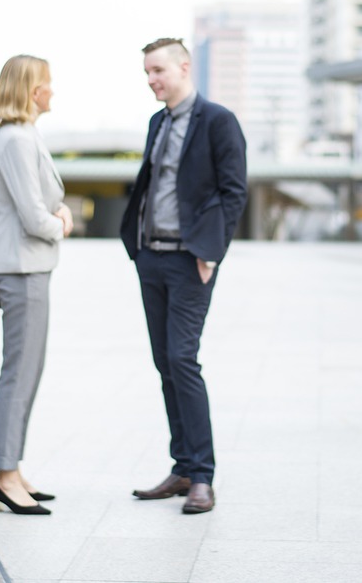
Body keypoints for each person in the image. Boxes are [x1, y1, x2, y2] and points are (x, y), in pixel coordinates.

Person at [120, 38, 247, 515]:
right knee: (164, 362)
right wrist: (135, 245)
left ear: (183, 67)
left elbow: (234, 192)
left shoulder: (218, 120)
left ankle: (203, 477)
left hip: (190, 259)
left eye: (158, 70)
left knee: (182, 358)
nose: (152, 79)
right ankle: (182, 466)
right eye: (147, 72)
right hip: (150, 257)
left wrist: (211, 251)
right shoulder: (158, 121)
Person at [0, 55, 73, 516]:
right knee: (19, 373)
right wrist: (63, 223)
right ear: (30, 89)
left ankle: (12, 470)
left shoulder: (22, 136)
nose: (52, 89)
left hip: (26, 267)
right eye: (47, 82)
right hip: (22, 268)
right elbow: (34, 215)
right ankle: (4, 476)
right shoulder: (17, 140)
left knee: (25, 372)